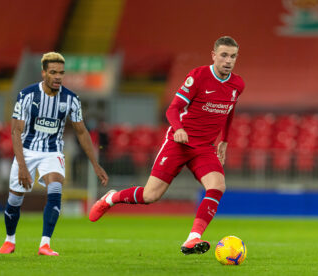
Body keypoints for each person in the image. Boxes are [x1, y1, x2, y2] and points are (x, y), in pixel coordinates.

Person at [89, 36, 245, 255]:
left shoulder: (237, 84)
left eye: (233, 56)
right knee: (150, 196)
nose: (228, 60)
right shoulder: (198, 76)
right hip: (178, 143)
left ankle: (193, 238)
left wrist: (225, 140)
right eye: (224, 55)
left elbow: (230, 112)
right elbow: (172, 109)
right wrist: (179, 128)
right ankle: (111, 198)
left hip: (205, 148)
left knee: (217, 186)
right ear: (214, 55)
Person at [0, 52, 109, 256]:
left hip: (52, 151)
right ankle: (9, 240)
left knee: (55, 188)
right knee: (14, 200)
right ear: (44, 73)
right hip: (27, 150)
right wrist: (22, 166)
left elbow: (81, 131)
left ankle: (45, 244)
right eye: (53, 72)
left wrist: (95, 164)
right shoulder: (27, 95)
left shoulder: (71, 99)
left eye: (61, 73)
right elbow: (16, 131)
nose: (58, 77)